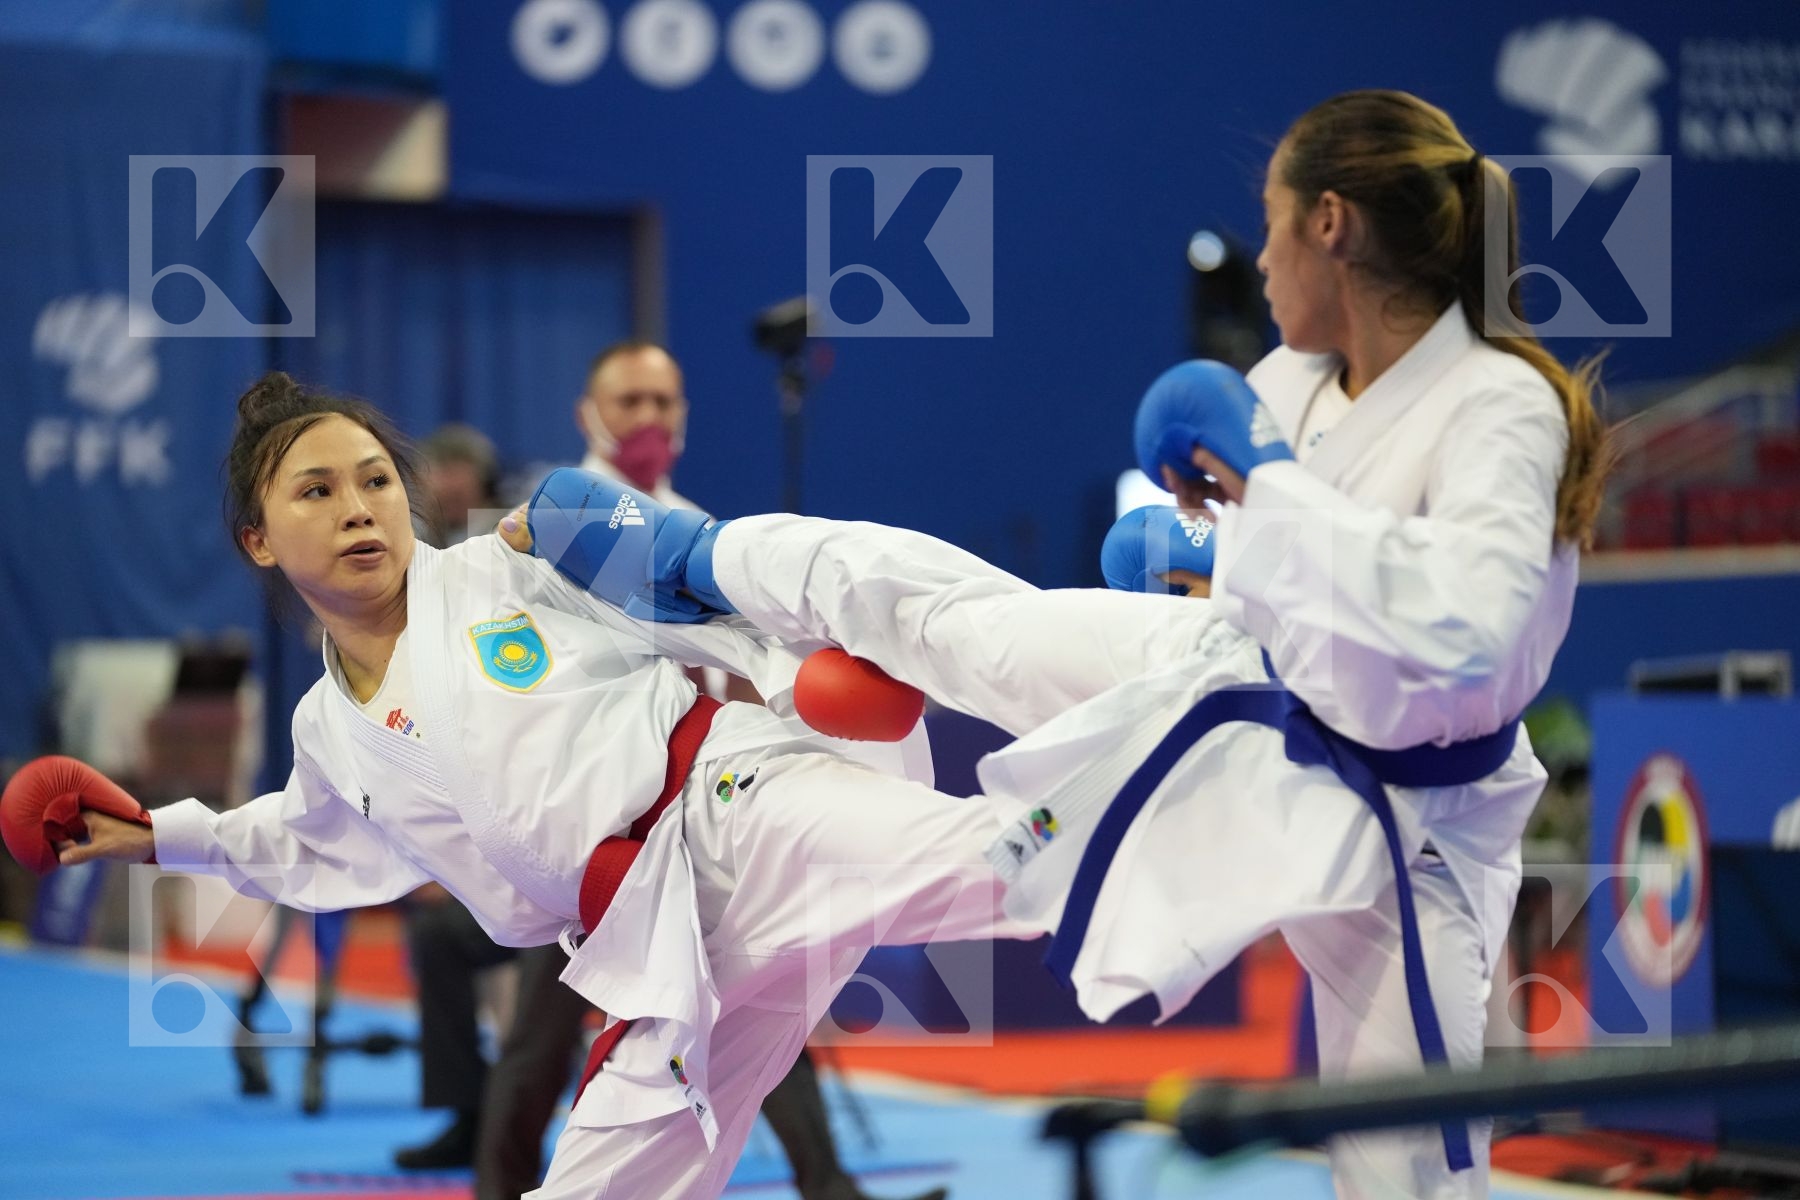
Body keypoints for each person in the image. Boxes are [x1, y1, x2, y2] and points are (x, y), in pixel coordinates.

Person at [501, 88, 1607, 1199]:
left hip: (1405, 816)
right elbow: (1308, 566)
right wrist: (1201, 554)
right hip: (1243, 682)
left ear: (1330, 224)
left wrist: (1264, 489)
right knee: (964, 617)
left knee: (1407, 1167)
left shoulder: (1498, 404)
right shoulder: (1295, 380)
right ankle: (699, 560)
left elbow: (1465, 633)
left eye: (1270, 224)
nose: (1259, 263)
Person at [28, 371, 1029, 1200]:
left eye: (376, 481)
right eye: (317, 492)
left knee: (1000, 863)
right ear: (257, 538)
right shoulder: (326, 727)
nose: (357, 509)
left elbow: (705, 589)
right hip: (650, 952)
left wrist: (799, 665)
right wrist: (155, 835)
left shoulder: (512, 567)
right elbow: (300, 836)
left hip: (729, 807)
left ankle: (1168, 788)